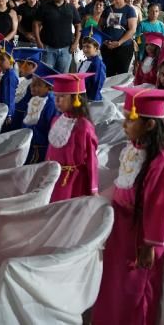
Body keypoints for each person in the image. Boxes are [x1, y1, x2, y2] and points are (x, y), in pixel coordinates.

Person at [93, 87, 164, 325]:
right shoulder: (134, 147)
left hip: (140, 236)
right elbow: (122, 186)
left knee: (135, 287)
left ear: (150, 125)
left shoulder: (163, 162)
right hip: (121, 227)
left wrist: (149, 245)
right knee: (114, 282)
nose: (124, 125)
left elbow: (158, 207)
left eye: (130, 120)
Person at [44, 72, 98, 202]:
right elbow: (50, 150)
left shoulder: (83, 126)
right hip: (54, 177)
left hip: (73, 181)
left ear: (76, 98)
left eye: (62, 96)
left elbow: (91, 159)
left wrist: (93, 189)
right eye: (55, 95)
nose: (56, 100)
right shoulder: (56, 119)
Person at [34, 0, 81, 73]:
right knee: (46, 78)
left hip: (66, 49)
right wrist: (38, 42)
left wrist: (76, 42)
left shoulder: (71, 8)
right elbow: (36, 24)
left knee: (62, 78)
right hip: (48, 49)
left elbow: (78, 25)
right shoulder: (44, 7)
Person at [22, 61, 60, 164]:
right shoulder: (36, 98)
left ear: (49, 87)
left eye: (38, 85)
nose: (32, 86)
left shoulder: (51, 104)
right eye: (32, 82)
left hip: (40, 147)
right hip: (30, 141)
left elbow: (48, 129)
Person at [100, 0, 138, 77]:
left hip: (124, 48)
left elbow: (132, 29)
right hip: (107, 47)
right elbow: (100, 26)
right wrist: (104, 40)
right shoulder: (107, 9)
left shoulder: (130, 10)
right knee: (108, 74)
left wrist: (119, 42)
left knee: (121, 76)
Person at [0, 42, 19, 130]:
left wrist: (8, 114)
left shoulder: (9, 76)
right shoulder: (5, 73)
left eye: (2, 59)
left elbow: (9, 96)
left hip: (4, 112)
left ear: (11, 60)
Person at [78, 28, 107, 101]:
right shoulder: (85, 61)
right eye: (83, 46)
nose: (84, 49)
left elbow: (97, 84)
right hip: (82, 96)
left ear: (96, 48)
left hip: (91, 99)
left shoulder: (98, 64)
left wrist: (91, 100)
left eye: (88, 47)